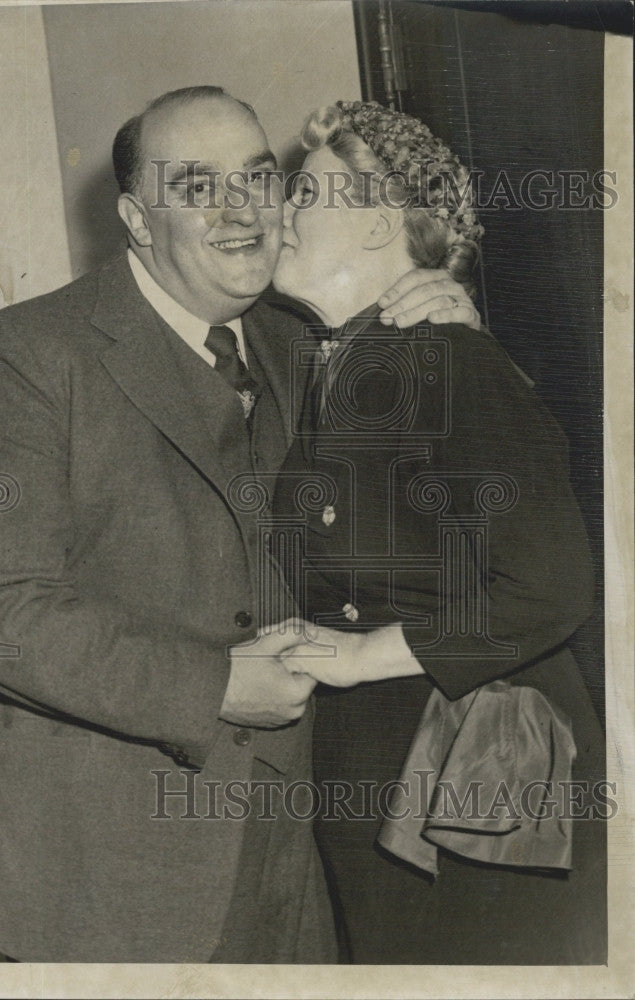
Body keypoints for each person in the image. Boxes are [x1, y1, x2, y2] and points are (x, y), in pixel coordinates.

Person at [0, 87, 477, 963]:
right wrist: (212, 688)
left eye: (258, 180)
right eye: (195, 186)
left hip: (300, 851)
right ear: (136, 219)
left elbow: (450, 523)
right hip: (105, 873)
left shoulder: (302, 340)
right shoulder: (26, 353)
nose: (239, 212)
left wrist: (454, 343)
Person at [266, 101, 607, 964]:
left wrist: (355, 655)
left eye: (304, 191)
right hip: (374, 771)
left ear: (381, 217)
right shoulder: (331, 361)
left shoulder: (450, 358)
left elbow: (551, 585)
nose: (278, 211)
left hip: (479, 782)